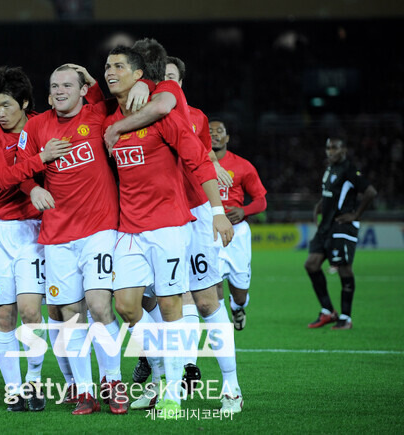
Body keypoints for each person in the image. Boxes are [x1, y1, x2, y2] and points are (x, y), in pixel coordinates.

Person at [104, 41, 244, 414]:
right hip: (130, 228)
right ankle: (168, 370)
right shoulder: (110, 120)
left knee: (198, 301)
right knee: (128, 306)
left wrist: (217, 211)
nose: (110, 72)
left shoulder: (170, 110)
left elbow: (200, 161)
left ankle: (222, 385)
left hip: (179, 220)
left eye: (119, 66)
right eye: (107, 66)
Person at [16, 65, 128, 415]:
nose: (60, 90)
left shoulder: (98, 114)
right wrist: (33, 187)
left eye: (68, 84)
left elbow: (120, 93)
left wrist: (95, 82)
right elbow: (21, 169)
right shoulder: (36, 126)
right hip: (57, 235)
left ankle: (113, 380)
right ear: (48, 94)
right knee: (68, 315)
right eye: (54, 86)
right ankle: (84, 391)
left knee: (98, 305)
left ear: (83, 91)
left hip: (98, 228)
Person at [0, 65, 71, 413]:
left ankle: (33, 380)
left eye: (7, 105)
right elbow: (0, 179)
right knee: (5, 317)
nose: (0, 113)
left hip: (32, 231)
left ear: (25, 102)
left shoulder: (41, 125)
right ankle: (13, 389)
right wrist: (40, 159)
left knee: (31, 312)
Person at [304, 138, 377, 330]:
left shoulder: (349, 169)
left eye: (334, 147)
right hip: (325, 228)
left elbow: (370, 192)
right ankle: (328, 311)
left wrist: (355, 214)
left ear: (343, 149)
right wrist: (320, 205)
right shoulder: (330, 169)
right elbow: (330, 193)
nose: (330, 151)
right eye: (328, 147)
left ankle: (346, 318)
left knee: (344, 269)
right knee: (311, 265)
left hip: (341, 227)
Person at [210, 119, 267, 330]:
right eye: (209, 131)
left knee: (240, 292)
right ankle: (221, 327)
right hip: (209, 231)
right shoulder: (195, 164)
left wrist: (244, 210)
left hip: (237, 233)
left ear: (227, 138)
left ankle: (238, 307)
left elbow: (261, 200)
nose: (214, 134)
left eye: (219, 131)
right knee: (212, 284)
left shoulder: (243, 166)